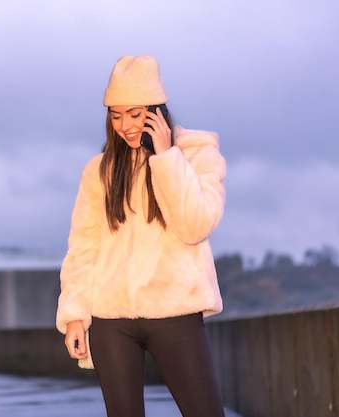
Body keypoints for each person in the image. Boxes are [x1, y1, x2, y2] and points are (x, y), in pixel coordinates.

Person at [56, 55, 227, 417]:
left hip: (176, 312)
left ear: (156, 110)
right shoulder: (99, 171)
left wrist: (167, 157)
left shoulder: (197, 154)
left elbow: (195, 225)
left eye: (134, 114)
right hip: (111, 321)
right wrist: (74, 315)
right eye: (116, 116)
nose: (125, 126)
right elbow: (83, 247)